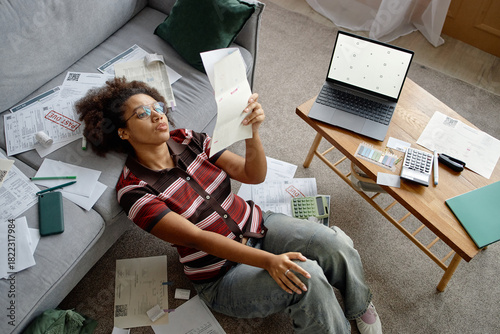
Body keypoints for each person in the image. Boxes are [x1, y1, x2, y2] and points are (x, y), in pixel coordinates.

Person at [76, 77, 382, 334]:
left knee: (332, 243)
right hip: (221, 275)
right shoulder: (133, 191)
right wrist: (268, 261)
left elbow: (253, 174)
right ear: (123, 132)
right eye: (143, 113)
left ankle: (358, 304)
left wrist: (252, 133)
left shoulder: (189, 139)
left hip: (257, 224)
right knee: (308, 277)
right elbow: (197, 238)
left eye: (158, 107)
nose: (158, 115)